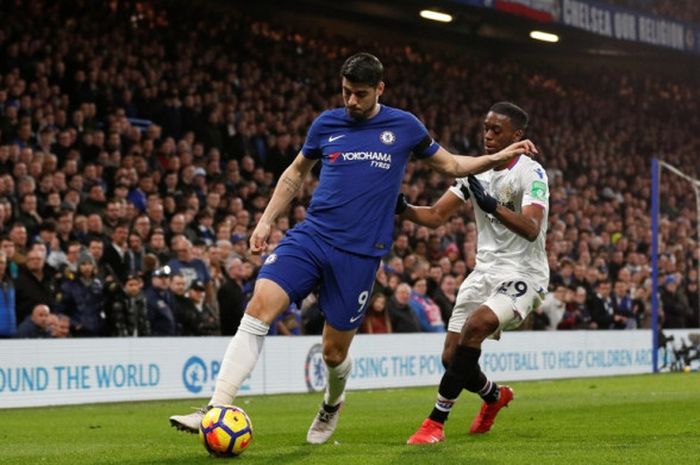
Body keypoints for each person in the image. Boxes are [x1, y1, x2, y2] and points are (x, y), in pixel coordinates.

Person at [169, 53, 535, 442]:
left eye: (360, 94)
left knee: (333, 354)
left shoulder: (404, 126)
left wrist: (496, 157)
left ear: (379, 89)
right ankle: (215, 407)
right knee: (259, 305)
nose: (352, 102)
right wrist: (265, 220)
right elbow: (295, 174)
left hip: (359, 254)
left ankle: (332, 402)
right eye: (346, 92)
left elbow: (451, 166)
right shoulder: (326, 123)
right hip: (313, 236)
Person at [398, 102, 549, 444]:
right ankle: (494, 397)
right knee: (451, 358)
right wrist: (402, 209)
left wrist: (491, 205)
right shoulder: (475, 172)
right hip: (484, 273)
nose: (488, 136)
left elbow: (531, 228)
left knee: (477, 325)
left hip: (524, 274)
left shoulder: (531, 173)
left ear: (517, 135)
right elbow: (436, 216)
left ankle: (435, 422)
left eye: (497, 130)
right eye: (485, 128)